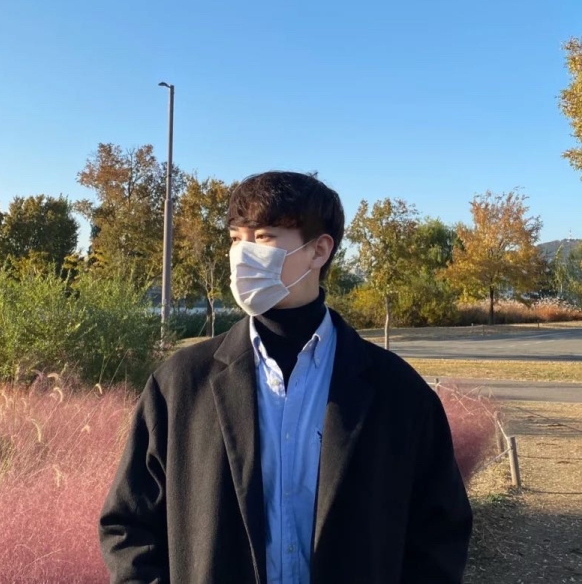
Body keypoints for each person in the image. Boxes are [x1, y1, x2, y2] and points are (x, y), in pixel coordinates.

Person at [99, 171, 472, 583]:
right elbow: (129, 524)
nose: (242, 254)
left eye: (263, 238)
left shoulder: (397, 392)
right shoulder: (180, 384)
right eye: (235, 238)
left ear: (319, 250)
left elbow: (439, 533)